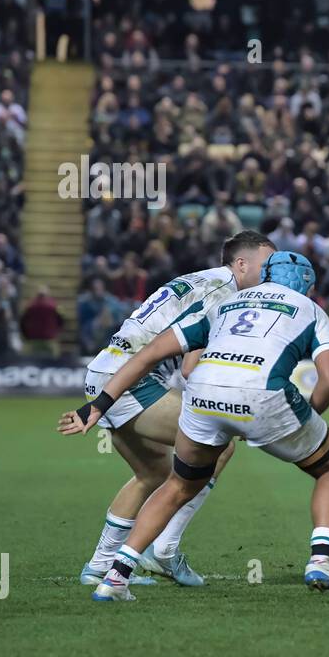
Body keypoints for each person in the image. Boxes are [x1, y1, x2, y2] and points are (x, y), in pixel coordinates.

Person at [61, 251, 329, 604]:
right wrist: (307, 419)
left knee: (177, 482)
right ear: (309, 286)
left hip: (202, 394)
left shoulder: (228, 302)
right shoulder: (310, 309)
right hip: (263, 395)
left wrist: (98, 405)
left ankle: (115, 576)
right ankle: (322, 560)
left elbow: (151, 354)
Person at [69, 231, 276, 588]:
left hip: (105, 371)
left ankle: (99, 566)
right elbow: (191, 368)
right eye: (267, 265)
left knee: (152, 474)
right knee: (218, 442)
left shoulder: (202, 279)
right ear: (241, 264)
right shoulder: (224, 293)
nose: (272, 273)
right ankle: (164, 550)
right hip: (130, 380)